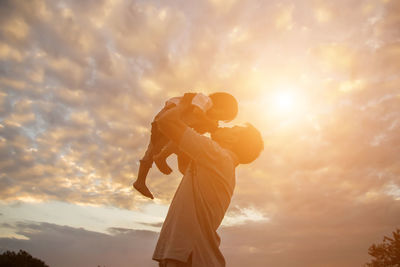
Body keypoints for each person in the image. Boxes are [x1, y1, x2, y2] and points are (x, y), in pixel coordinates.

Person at [152, 99, 264, 267]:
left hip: (189, 256)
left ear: (233, 139)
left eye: (232, 128)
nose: (224, 127)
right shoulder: (216, 161)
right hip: (187, 255)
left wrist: (190, 101)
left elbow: (166, 122)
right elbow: (184, 165)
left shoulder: (217, 156)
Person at [133, 92, 238, 199]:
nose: (219, 119)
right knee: (153, 149)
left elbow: (191, 130)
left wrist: (212, 128)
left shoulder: (205, 116)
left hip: (174, 124)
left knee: (160, 146)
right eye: (222, 115)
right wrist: (210, 124)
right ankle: (144, 176)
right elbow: (197, 112)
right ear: (220, 104)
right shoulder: (205, 100)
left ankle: (144, 176)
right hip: (168, 115)